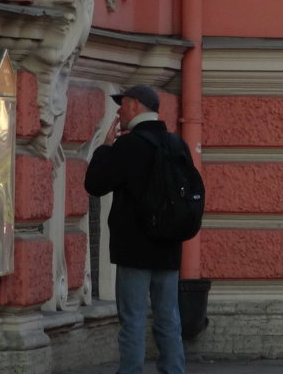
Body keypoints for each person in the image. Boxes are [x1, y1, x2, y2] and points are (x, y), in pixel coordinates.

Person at [85, 85, 190, 374]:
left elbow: (95, 184)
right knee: (169, 317)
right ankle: (173, 370)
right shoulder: (176, 144)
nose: (119, 111)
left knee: (132, 319)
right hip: (169, 246)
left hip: (134, 249)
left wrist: (106, 148)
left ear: (134, 105)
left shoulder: (128, 146)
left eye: (122, 105)